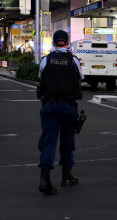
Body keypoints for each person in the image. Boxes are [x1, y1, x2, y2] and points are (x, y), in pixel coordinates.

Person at [36, 29, 83, 195]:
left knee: (48, 142)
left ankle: (45, 179)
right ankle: (66, 176)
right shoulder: (74, 60)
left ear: (53, 42)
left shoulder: (46, 60)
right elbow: (80, 79)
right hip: (68, 106)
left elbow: (41, 79)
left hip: (49, 106)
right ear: (68, 42)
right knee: (67, 142)